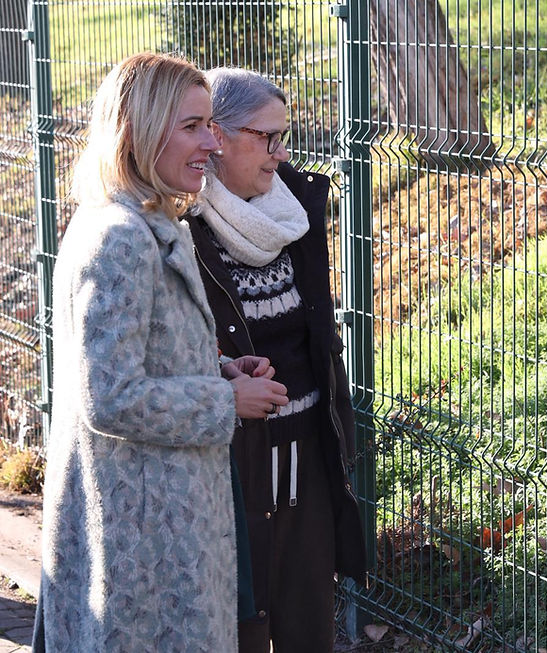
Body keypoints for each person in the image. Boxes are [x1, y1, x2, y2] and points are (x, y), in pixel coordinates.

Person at [33, 52, 290, 652]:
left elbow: (139, 353)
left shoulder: (145, 220)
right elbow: (111, 396)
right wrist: (225, 399)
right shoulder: (120, 238)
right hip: (140, 538)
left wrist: (216, 367)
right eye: (194, 125)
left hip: (155, 521)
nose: (213, 142)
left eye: (213, 125)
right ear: (140, 129)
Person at [183, 67, 366, 653]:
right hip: (230, 458)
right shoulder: (180, 229)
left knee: (308, 615)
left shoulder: (295, 210)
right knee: (238, 617)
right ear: (219, 135)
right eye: (267, 138)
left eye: (284, 137)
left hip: (310, 447)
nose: (279, 154)